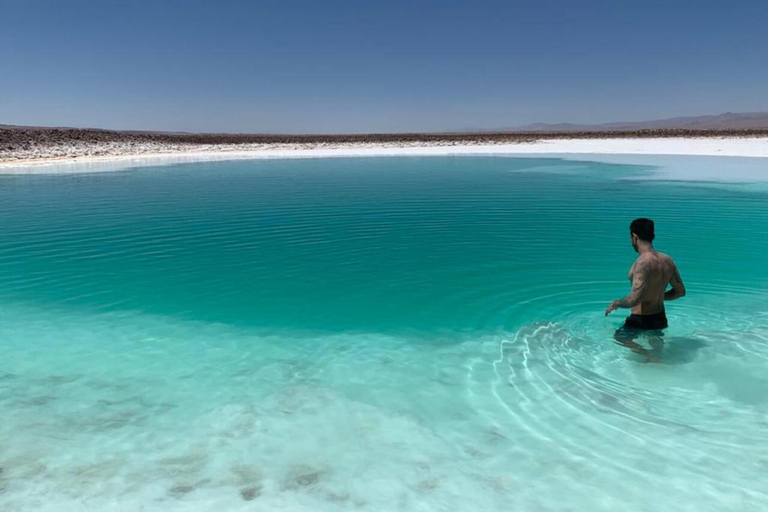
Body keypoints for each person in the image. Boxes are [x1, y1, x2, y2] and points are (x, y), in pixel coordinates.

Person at [605, 218, 686, 358]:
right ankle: (657, 364)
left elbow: (634, 299)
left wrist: (616, 303)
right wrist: (659, 295)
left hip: (641, 320)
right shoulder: (667, 260)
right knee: (658, 350)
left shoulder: (642, 263)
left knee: (620, 337)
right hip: (660, 318)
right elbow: (680, 292)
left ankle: (647, 355)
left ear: (634, 236)